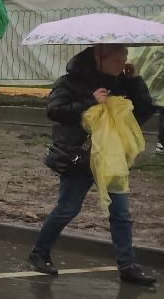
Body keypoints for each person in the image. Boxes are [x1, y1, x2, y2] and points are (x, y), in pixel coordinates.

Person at [29, 44, 157, 285]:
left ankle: (128, 266)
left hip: (111, 158)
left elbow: (143, 113)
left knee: (120, 212)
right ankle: (39, 252)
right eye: (118, 60)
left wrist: (136, 81)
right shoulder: (69, 82)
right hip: (80, 157)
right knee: (68, 208)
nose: (123, 64)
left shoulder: (121, 82)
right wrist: (90, 100)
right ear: (100, 57)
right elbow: (55, 111)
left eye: (125, 59)